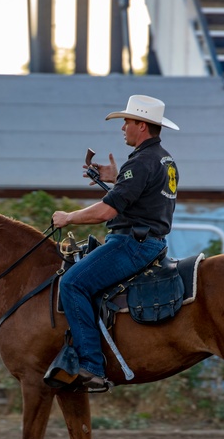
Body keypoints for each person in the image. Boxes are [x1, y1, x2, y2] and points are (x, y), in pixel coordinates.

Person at [50, 94, 180, 390]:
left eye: (127, 122)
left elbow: (106, 211)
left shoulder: (142, 162)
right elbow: (145, 193)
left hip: (131, 244)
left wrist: (68, 217)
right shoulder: (163, 159)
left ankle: (91, 366)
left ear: (142, 126)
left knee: (72, 283)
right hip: (151, 242)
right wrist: (117, 175)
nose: (122, 128)